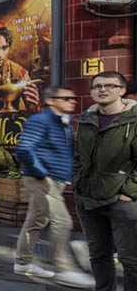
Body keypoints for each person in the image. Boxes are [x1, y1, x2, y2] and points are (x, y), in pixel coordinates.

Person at [11, 85, 92, 287]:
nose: (72, 102)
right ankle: (64, 268)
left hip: (55, 179)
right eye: (66, 98)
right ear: (51, 101)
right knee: (63, 222)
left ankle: (22, 262)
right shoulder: (41, 121)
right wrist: (40, 174)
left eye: (73, 99)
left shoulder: (64, 122)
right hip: (42, 180)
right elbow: (24, 148)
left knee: (35, 221)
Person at [72, 70, 137, 291]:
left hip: (123, 201)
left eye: (110, 86)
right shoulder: (86, 119)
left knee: (130, 259)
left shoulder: (133, 119)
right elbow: (78, 156)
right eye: (98, 86)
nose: (102, 90)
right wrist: (78, 181)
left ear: (122, 91)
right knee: (99, 256)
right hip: (88, 199)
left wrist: (128, 192)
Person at [0, 26, 41, 114]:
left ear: (8, 48)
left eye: (4, 48)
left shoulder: (19, 72)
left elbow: (34, 110)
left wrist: (35, 104)